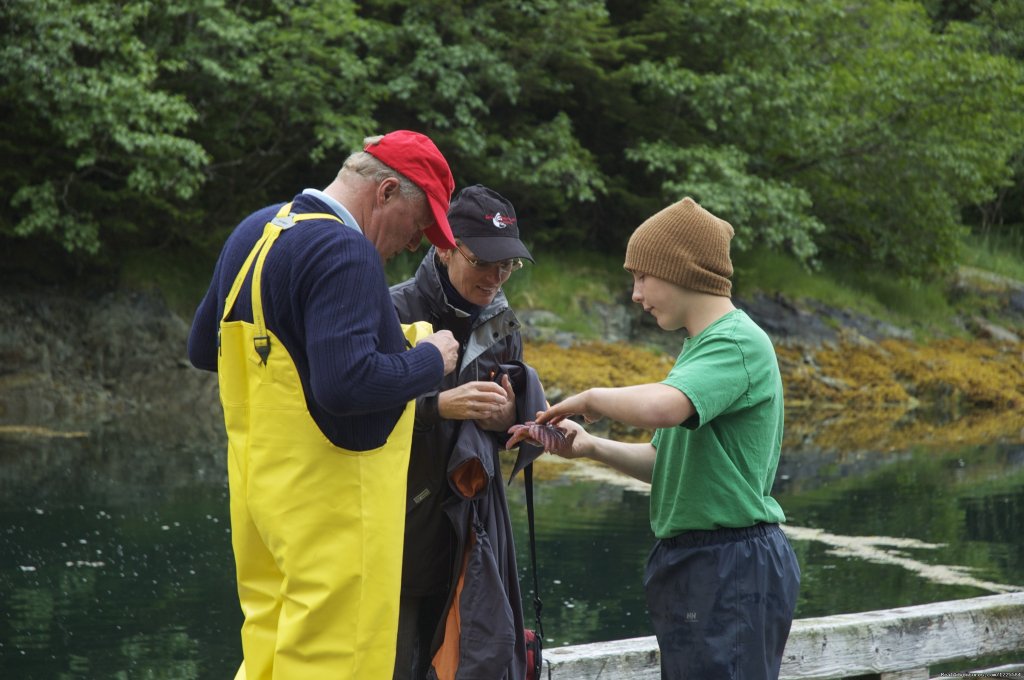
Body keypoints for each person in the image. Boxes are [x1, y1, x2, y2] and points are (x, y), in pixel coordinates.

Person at [186, 130, 461, 680]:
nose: (415, 245)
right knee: (338, 659)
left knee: (268, 648)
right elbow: (347, 385)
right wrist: (429, 359)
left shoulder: (258, 229)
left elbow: (203, 347)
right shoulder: (345, 250)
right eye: (417, 225)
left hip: (263, 500)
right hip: (335, 508)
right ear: (385, 192)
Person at [533, 197, 801, 679]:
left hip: (731, 564)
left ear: (681, 271)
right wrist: (590, 446)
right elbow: (666, 465)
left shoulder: (736, 342)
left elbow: (663, 407)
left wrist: (591, 397)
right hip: (699, 563)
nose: (635, 293)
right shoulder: (700, 349)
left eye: (642, 276)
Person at [389, 184, 535, 680]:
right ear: (444, 246)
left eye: (508, 265)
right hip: (402, 532)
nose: (496, 277)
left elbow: (509, 428)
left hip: (475, 534)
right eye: (483, 262)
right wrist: (438, 407)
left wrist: (505, 421)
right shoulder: (394, 311)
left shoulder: (504, 327)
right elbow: (354, 418)